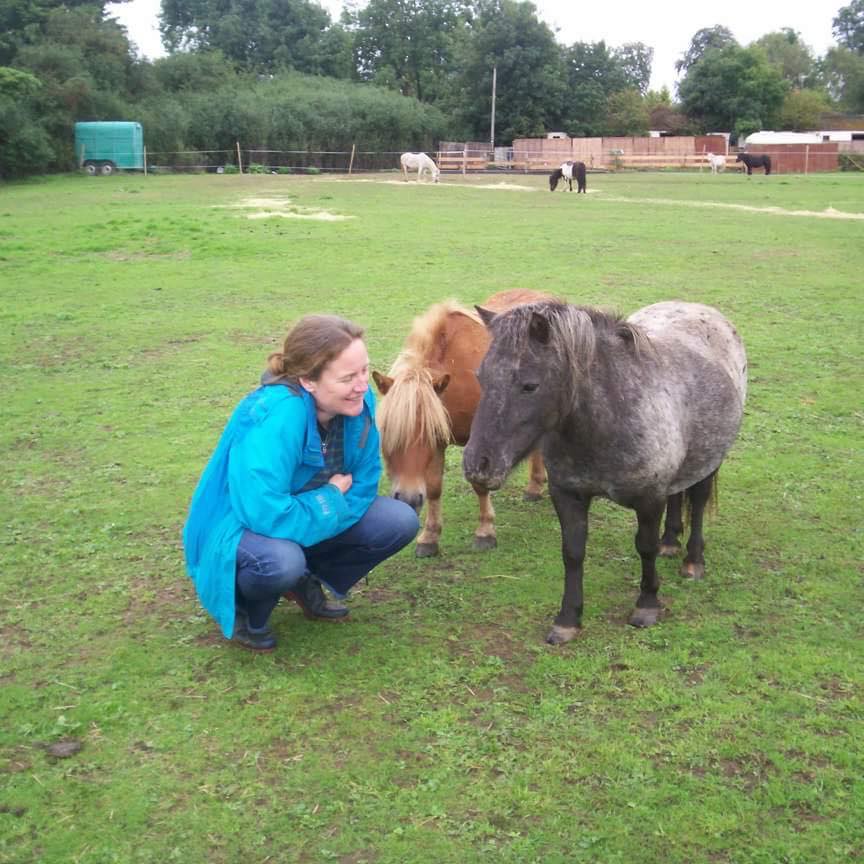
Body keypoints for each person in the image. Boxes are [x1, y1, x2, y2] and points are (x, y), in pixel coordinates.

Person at [183, 315, 420, 651]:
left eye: (365, 370)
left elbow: (365, 482)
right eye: (348, 377)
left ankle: (304, 579)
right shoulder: (278, 416)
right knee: (282, 562)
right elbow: (264, 514)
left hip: (301, 515)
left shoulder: (359, 402)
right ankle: (246, 607)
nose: (362, 385)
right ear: (309, 381)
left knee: (399, 520)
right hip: (239, 525)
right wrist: (330, 499)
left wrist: (325, 509)